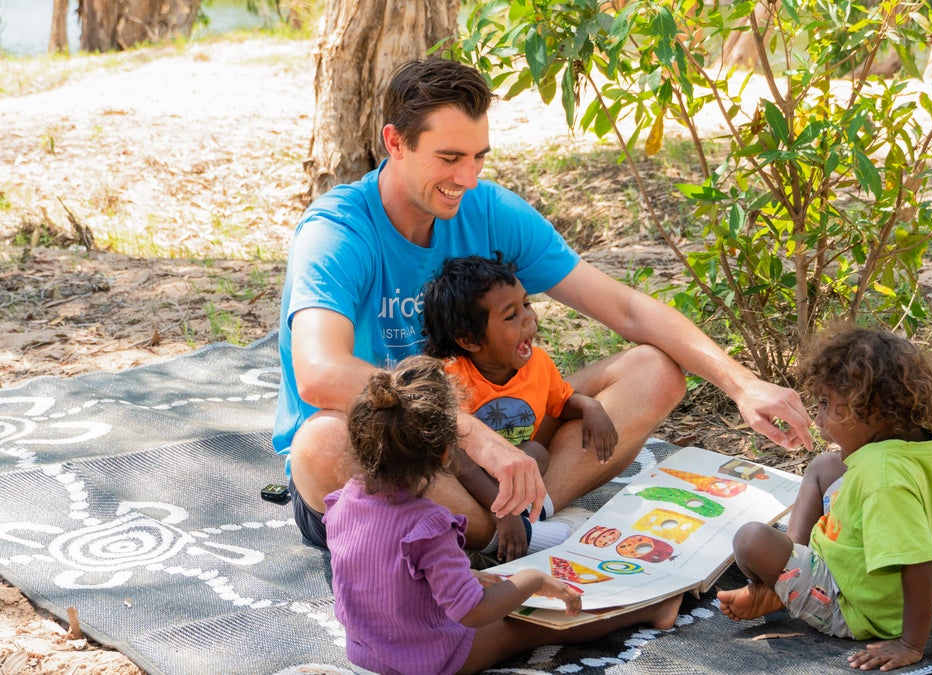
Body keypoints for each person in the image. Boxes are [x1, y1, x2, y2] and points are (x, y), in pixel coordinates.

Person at [274, 56, 813, 551]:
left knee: (655, 370)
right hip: (404, 452)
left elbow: (625, 310)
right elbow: (319, 374)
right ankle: (505, 531)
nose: (467, 178)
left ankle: (521, 522)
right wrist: (471, 435)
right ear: (395, 142)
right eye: (449, 158)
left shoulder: (489, 209)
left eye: (478, 157)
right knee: (321, 444)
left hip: (497, 435)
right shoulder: (337, 231)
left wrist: (743, 385)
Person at [324, 355, 682, 675]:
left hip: (366, 653)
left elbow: (382, 573)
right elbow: (473, 612)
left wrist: (467, 577)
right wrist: (532, 581)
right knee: (530, 626)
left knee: (489, 587)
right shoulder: (428, 526)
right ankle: (648, 610)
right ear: (447, 452)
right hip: (432, 660)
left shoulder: (343, 501)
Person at [716, 326, 932, 672]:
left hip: (850, 606)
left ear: (872, 410)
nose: (818, 420)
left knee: (750, 539)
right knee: (823, 467)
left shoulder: (882, 479)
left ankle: (780, 584)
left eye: (826, 405)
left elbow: (919, 561)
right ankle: (788, 573)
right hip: (871, 585)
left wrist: (910, 644)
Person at [422, 254, 617, 562]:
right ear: (470, 339)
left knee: (536, 452)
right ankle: (504, 529)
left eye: (526, 304)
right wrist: (502, 511)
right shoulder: (451, 377)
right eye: (511, 316)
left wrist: (590, 406)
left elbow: (561, 401)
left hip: (512, 474)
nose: (528, 318)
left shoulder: (538, 364)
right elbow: (458, 459)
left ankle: (524, 521)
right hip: (464, 479)